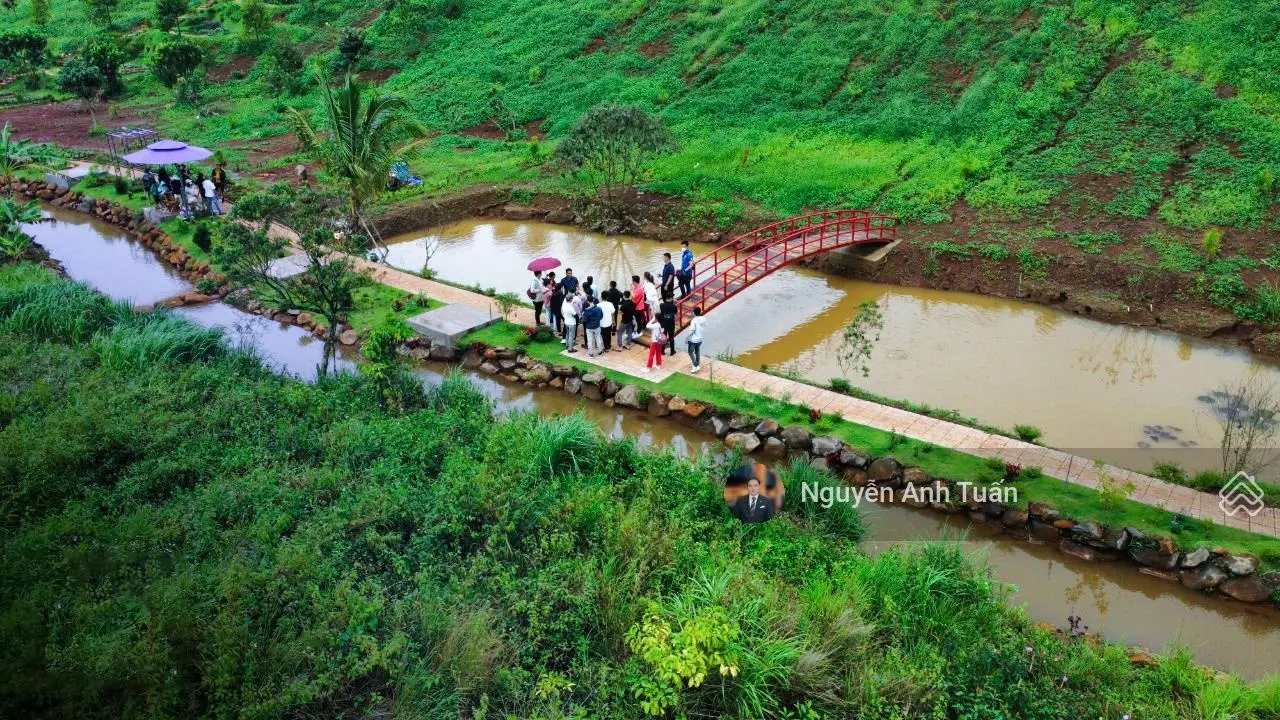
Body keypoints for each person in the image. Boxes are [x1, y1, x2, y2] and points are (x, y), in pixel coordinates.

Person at [657, 291, 678, 357]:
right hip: (671, 323)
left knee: (664, 337)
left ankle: (662, 351)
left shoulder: (662, 305)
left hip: (664, 324)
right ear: (671, 298)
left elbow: (661, 313)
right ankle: (672, 351)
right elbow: (675, 315)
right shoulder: (674, 306)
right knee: (671, 337)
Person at [687, 306, 706, 372]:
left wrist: (687, 338)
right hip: (700, 339)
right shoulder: (704, 319)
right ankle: (697, 364)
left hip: (693, 340)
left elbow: (692, 330)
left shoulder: (694, 320)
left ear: (694, 313)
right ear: (700, 312)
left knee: (690, 352)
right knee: (697, 352)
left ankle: (695, 365)